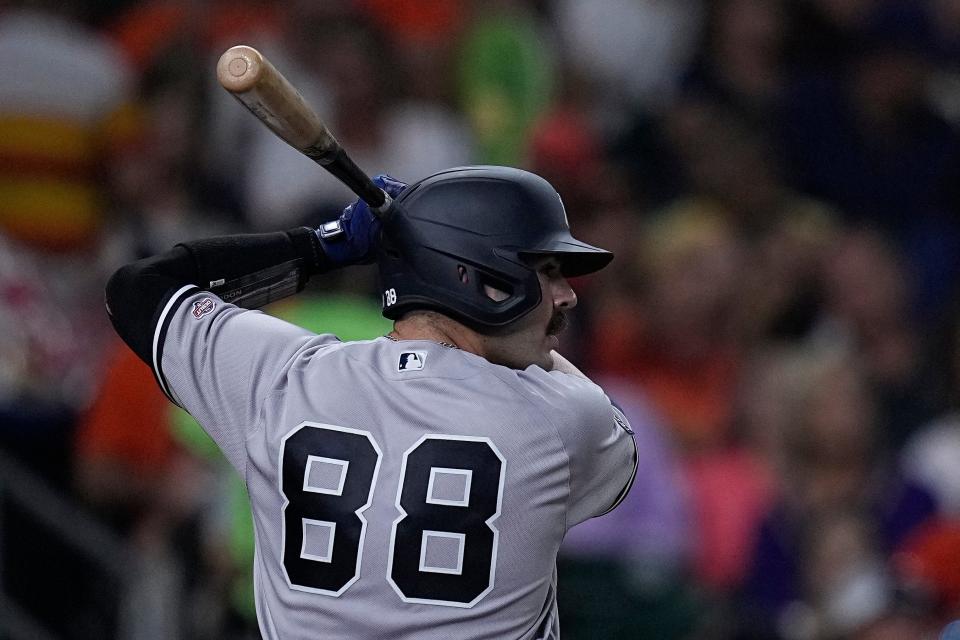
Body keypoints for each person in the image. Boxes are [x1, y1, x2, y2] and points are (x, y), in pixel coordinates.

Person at [105, 165, 637, 639]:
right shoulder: (564, 417)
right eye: (546, 271)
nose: (567, 294)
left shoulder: (282, 375)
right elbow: (585, 408)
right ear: (476, 277)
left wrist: (320, 245)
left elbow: (137, 289)